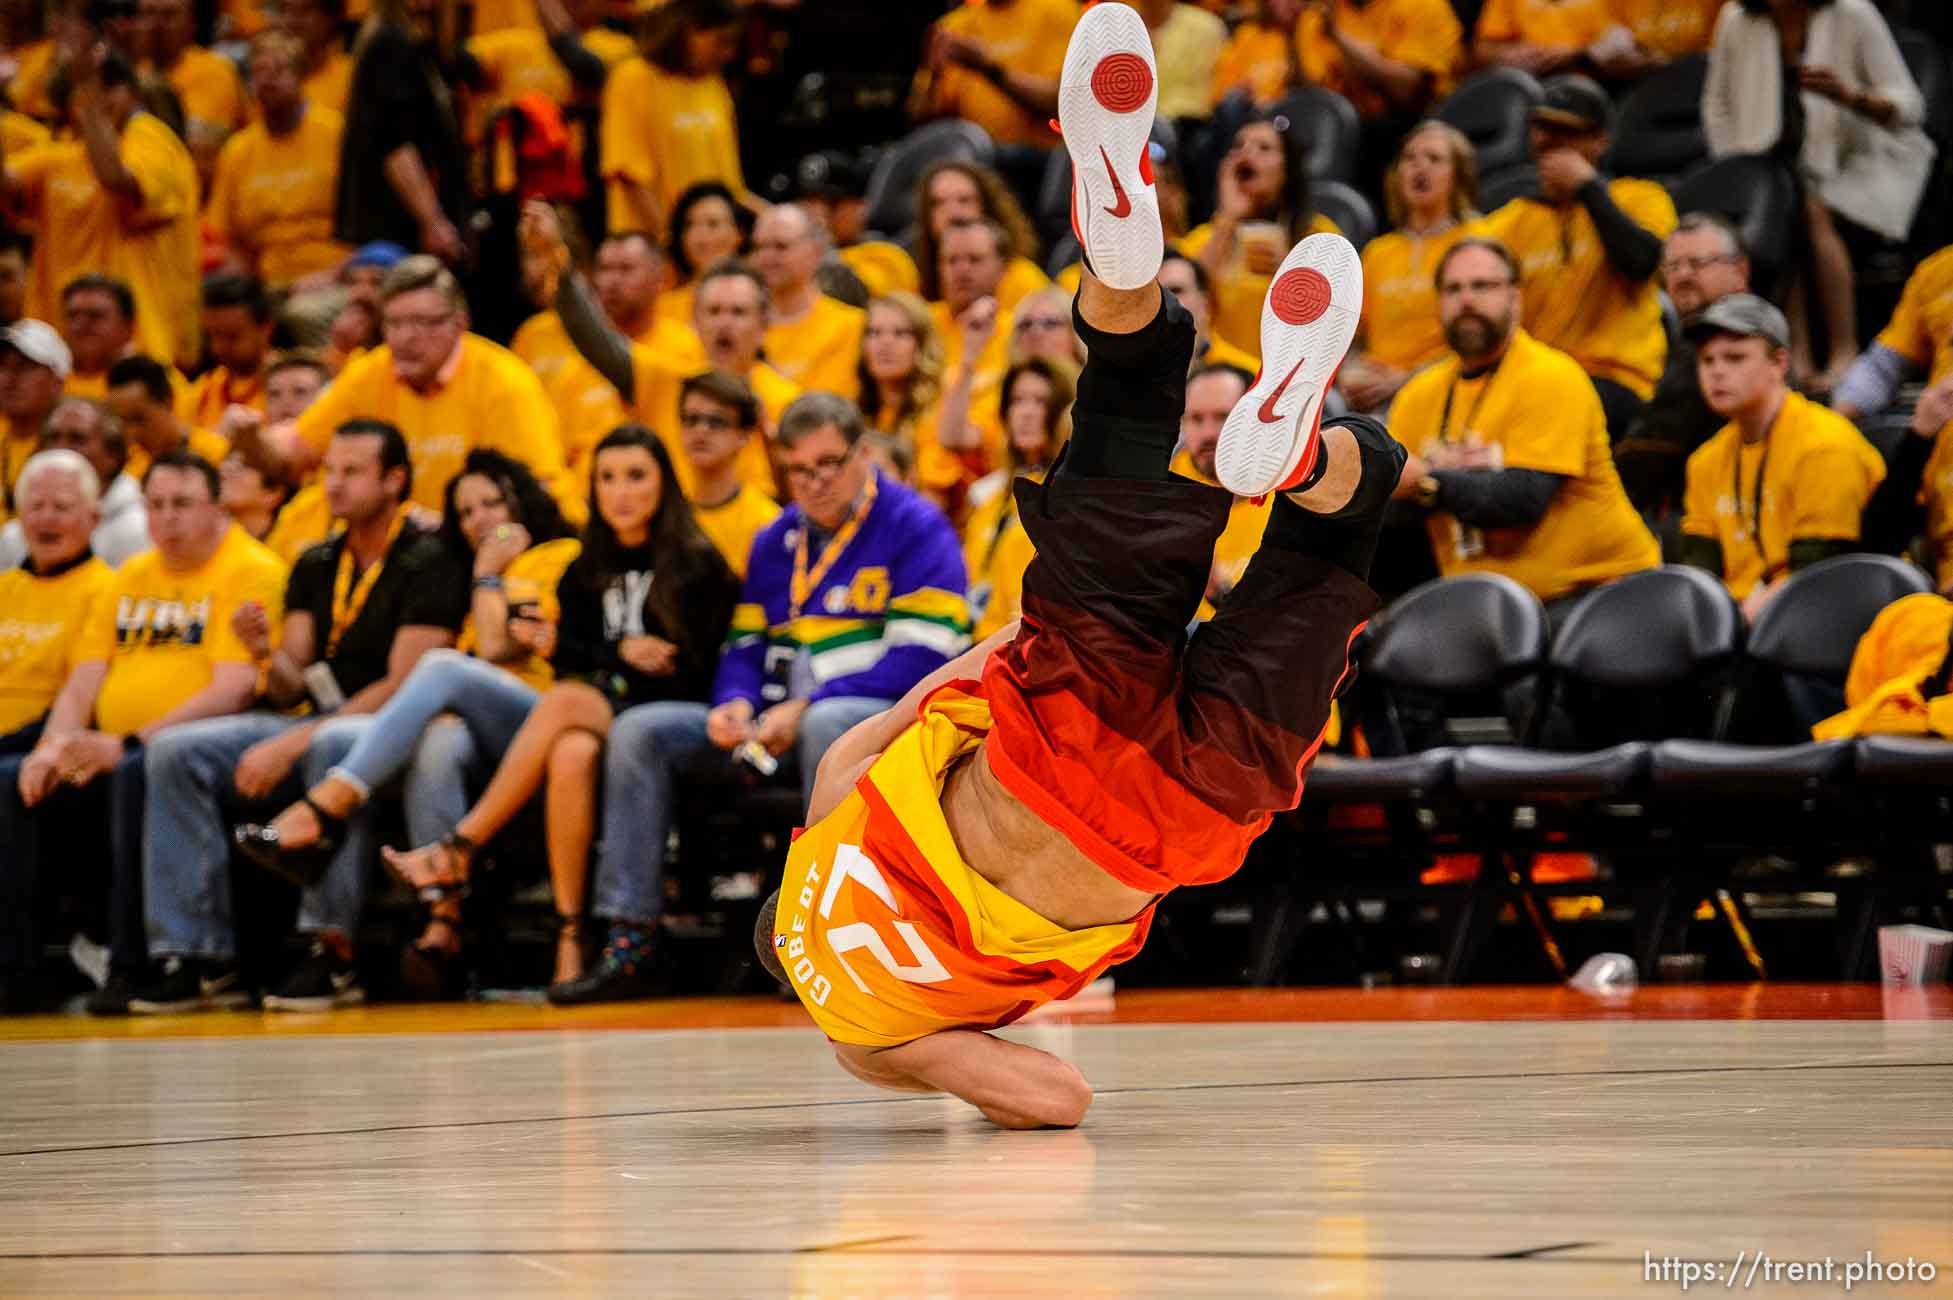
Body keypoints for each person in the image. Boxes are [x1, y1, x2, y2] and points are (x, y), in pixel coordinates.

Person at [760, 5, 1404, 1128]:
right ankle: (1121, 241)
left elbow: (1059, 1098)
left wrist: (923, 1055)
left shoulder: (868, 1034)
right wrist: (1024, 643)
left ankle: (1305, 455)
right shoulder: (820, 831)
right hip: (1044, 727)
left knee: (1353, 510)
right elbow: (904, 709)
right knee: (1121, 401)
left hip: (1183, 814)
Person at [549, 391, 971, 1005]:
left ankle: (824, 935)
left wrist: (807, 704)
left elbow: (924, 657)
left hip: (878, 716)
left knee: (830, 724)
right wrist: (736, 703)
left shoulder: (915, 524)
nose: (816, 482)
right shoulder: (776, 540)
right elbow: (744, 647)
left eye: (830, 463)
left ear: (862, 454)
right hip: (775, 719)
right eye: (800, 469)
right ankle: (631, 938)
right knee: (642, 729)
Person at [373, 428, 742, 997]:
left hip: (673, 718)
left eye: (637, 476)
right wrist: (619, 652)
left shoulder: (697, 563)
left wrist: (604, 659)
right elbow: (577, 654)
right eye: (607, 478)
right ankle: (573, 938)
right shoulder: (584, 569)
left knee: (567, 703)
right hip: (604, 710)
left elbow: (692, 668)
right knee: (571, 749)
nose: (621, 492)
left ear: (664, 484)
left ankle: (460, 847)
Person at [134, 421, 467, 1014]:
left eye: (351, 472)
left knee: (332, 741)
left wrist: (293, 743)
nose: (332, 486)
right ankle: (198, 957)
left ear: (394, 481)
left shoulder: (430, 558)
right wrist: (265, 654)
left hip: (393, 725)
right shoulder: (317, 560)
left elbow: (405, 685)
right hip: (316, 717)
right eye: (328, 471)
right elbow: (294, 681)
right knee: (174, 751)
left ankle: (329, 947)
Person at [235, 447, 582, 993]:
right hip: (469, 727)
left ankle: (323, 809)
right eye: (466, 512)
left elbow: (492, 650)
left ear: (522, 502)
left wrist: (489, 575)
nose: (480, 521)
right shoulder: (459, 573)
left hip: (542, 720)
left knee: (441, 668)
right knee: (361, 739)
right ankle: (416, 927)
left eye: (491, 503)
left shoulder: (556, 556)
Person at [37, 450, 288, 1014]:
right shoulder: (131, 575)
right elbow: (83, 681)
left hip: (216, 737)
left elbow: (235, 689)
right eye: (156, 505)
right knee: (18, 781)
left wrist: (128, 741)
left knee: (138, 770)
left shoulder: (251, 570)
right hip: (121, 742)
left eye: (183, 504)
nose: (167, 519)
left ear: (218, 508)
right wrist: (50, 748)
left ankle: (142, 962)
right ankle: (29, 963)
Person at [1390, 237, 1658, 617]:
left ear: (1516, 298)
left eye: (1482, 286)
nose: (1466, 300)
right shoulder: (1418, 395)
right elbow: (1391, 499)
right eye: (1453, 289)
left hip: (1602, 594)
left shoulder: (1552, 376)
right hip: (1489, 604)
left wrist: (1428, 479)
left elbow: (1523, 499)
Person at [1702, 0, 1933, 394]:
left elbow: (1910, 106)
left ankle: (1845, 351)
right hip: (1768, 165)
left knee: (1808, 211)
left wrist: (1848, 96)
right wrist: (1736, 167)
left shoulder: (1853, 13)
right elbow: (1716, 104)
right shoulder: (1735, 20)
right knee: (1782, 208)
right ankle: (1800, 359)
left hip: (1860, 163)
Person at [249, 256, 578, 519]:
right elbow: (293, 455)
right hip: (405, 560)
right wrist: (246, 438)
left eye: (422, 322)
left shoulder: (505, 383)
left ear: (458, 323)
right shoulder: (372, 371)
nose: (406, 337)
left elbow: (537, 499)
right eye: (394, 323)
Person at [532, 206, 797, 501]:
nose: (724, 323)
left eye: (738, 312)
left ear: (764, 324)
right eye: (713, 311)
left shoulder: (785, 400)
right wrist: (560, 264)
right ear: (695, 322)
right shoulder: (670, 381)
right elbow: (595, 340)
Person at [1478, 75, 1676, 440]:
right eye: (1544, 129)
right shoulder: (1510, 221)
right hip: (1530, 381)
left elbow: (1641, 263)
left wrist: (1589, 190)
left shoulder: (1639, 198)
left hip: (1613, 378)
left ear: (1599, 141)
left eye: (1567, 132)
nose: (1551, 142)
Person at [1679, 293, 1883, 621]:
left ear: (1779, 364)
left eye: (1734, 358)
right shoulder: (1704, 461)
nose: (1716, 372)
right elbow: (1700, 573)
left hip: (1830, 618)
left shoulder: (1825, 445)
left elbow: (1820, 573)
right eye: (1707, 360)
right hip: (1740, 622)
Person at [0, 43, 200, 372]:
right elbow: (6, 184)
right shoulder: (64, 155)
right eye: (86, 90)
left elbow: (115, 177)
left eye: (109, 87)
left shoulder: (153, 138)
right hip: (59, 351)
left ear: (134, 92)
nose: (98, 99)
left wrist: (88, 88)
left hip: (141, 348)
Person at [0, 451, 117, 1009]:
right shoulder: (6, 588)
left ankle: (20, 967)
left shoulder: (105, 589)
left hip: (52, 743)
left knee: (7, 781)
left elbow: (81, 698)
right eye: (35, 505)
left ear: (94, 518)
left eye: (63, 506)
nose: (47, 518)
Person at [512, 227, 704, 487]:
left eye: (626, 269)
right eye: (605, 269)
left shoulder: (683, 348)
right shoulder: (575, 370)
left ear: (660, 279)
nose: (612, 281)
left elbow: (608, 351)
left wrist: (560, 269)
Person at [1613, 213, 1754, 522]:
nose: (1683, 276)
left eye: (1698, 263)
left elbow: (1647, 458)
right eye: (1673, 267)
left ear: (1740, 271)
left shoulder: (1739, 340)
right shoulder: (1687, 341)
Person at [1182, 110, 1342, 360]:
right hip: (1219, 381)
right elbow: (1183, 305)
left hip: (1291, 378)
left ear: (1288, 169)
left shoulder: (1318, 235)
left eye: (1264, 148)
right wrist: (1228, 217)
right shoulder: (1204, 238)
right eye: (1239, 146)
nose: (1247, 153)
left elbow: (1340, 318)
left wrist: (1294, 272)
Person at [1344, 120, 1479, 415]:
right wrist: (1350, 374)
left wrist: (1408, 378)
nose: (1420, 167)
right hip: (1373, 392)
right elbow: (1352, 337)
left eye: (1434, 159)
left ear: (1458, 175)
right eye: (1410, 158)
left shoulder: (1475, 242)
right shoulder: (1378, 251)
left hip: (1444, 386)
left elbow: (1480, 338)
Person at [205, 31, 349, 289]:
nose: (267, 79)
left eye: (279, 69)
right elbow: (225, 235)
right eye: (259, 71)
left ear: (302, 76)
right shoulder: (237, 149)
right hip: (264, 281)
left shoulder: (336, 133)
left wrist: (336, 274)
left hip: (332, 273)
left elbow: (370, 226)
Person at [333, 0, 469, 261]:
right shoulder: (390, 44)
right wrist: (433, 222)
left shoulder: (405, 39)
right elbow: (395, 144)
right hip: (398, 231)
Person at [600, 0, 746, 241]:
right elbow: (629, 174)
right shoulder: (633, 78)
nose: (727, 53)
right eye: (720, 41)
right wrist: (670, 241)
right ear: (686, 30)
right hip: (650, 245)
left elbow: (731, 185)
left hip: (707, 246)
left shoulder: (713, 84)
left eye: (732, 44)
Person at [1292, 0, 1463, 196]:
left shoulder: (1425, 6)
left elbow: (1407, 91)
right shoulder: (1321, 12)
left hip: (1410, 130)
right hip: (1348, 139)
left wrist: (1338, 38)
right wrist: (1292, 35)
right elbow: (1314, 97)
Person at [964, 355, 1074, 638]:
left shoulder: (1068, 497)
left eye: (1040, 402)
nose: (1025, 413)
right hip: (977, 635)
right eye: (1016, 401)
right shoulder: (988, 498)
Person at [1170, 361, 1277, 619]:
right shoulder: (1161, 489)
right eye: (1195, 419)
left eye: (1223, 417)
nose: (1208, 433)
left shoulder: (1296, 499)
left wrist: (1220, 593)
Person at [0, 398, 150, 569]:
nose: (61, 448)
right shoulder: (13, 538)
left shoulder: (138, 529)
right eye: (53, 437)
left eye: (77, 439)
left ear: (112, 455)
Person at [909, 0, 1076, 154]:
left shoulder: (1057, 10)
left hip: (1043, 157)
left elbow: (1060, 103)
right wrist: (935, 74)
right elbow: (919, 120)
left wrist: (989, 69)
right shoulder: (953, 26)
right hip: (973, 154)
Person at [753, 203, 867, 399]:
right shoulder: (738, 322)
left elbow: (823, 413)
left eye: (781, 246)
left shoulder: (851, 326)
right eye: (760, 247)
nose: (767, 257)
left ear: (816, 252)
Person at [672, 371, 781, 577]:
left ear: (745, 436)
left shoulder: (767, 523)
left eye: (717, 421)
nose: (701, 430)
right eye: (691, 419)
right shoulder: (668, 516)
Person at [912, 161, 1048, 317]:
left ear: (986, 207)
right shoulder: (918, 276)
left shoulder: (1022, 278)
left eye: (964, 200)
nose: (952, 212)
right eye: (937, 203)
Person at [107, 355, 229, 482]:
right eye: (123, 422)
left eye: (139, 419)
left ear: (167, 400)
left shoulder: (217, 456)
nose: (131, 433)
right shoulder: (128, 473)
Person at [178, 275, 273, 431]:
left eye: (232, 337)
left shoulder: (292, 386)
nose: (217, 347)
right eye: (211, 336)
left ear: (266, 329)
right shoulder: (203, 390)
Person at [655, 180, 752, 328]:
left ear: (739, 234)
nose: (699, 235)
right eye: (690, 225)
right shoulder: (662, 308)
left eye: (712, 224)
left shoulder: (759, 299)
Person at [142, 0, 247, 135]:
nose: (156, 25)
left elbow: (201, 142)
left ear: (191, 23)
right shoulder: (135, 70)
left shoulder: (214, 70)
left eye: (169, 15)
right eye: (148, 14)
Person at [0, 317, 69, 514]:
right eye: (3, 365)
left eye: (24, 367)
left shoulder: (74, 447)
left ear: (57, 381)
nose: (9, 378)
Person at [1157, 252, 1257, 374]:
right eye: (1152, 297)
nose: (1163, 303)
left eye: (1176, 290)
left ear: (1205, 304)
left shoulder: (1252, 381)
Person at [1130, 0, 1226, 123]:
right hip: (1132, 119)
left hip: (1187, 120)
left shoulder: (1205, 26)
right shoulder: (1120, 26)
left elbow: (1205, 88)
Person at [1212, 0, 1306, 107]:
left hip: (1298, 111)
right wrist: (1242, 88)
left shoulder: (1308, 31)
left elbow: (1317, 77)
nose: (1290, 3)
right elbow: (1222, 85)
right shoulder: (1248, 34)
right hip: (1255, 111)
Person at [280, 0, 354, 114]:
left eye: (305, 10)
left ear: (329, 19)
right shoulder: (266, 78)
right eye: (287, 10)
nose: (292, 21)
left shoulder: (352, 74)